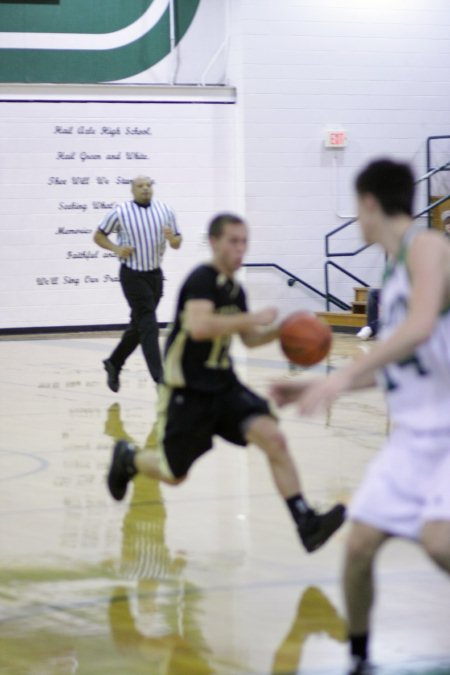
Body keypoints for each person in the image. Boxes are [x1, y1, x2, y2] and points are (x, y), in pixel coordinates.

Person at [271, 159, 450, 674]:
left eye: (356, 207)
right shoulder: (390, 275)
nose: (356, 218)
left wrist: (337, 379)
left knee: (440, 543)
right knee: (358, 548)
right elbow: (397, 364)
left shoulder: (427, 248)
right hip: (413, 440)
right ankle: (359, 658)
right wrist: (316, 385)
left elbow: (417, 329)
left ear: (369, 203)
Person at [106, 213, 345, 554]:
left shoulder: (235, 288)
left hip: (224, 386)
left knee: (273, 438)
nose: (239, 248)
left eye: (244, 241)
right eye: (233, 241)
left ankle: (306, 522)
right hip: (187, 392)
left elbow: (248, 339)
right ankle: (128, 459)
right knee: (173, 475)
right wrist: (252, 318)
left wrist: (286, 328)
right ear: (215, 242)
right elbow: (201, 326)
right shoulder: (202, 280)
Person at [93, 176, 182, 391]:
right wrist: (116, 249)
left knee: (139, 326)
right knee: (149, 324)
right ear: (132, 190)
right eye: (140, 186)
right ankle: (160, 378)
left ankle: (114, 362)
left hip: (155, 275)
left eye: (148, 185)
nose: (145, 189)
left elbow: (178, 242)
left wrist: (172, 239)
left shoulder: (165, 211)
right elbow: (98, 236)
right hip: (132, 275)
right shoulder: (120, 211)